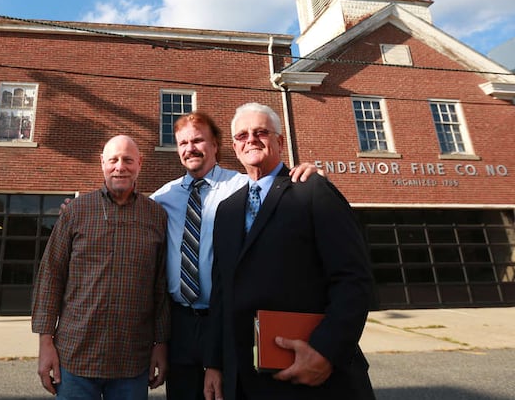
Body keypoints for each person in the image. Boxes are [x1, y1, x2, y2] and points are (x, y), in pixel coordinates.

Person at [203, 103, 375, 400]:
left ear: (280, 141)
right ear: (233, 146)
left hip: (310, 374)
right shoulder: (226, 210)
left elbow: (353, 279)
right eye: (242, 135)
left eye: (261, 132)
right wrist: (215, 363)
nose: (251, 140)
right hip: (243, 378)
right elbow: (222, 292)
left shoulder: (312, 190)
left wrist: (326, 351)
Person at [150, 111, 320, 400]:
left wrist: (308, 175)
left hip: (229, 319)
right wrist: (72, 211)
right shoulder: (162, 198)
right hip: (180, 324)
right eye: (182, 143)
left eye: (198, 140)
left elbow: (280, 187)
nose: (190, 148)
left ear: (216, 144)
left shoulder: (243, 186)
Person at [31, 134, 169, 400]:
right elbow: (50, 276)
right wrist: (45, 343)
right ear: (102, 163)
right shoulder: (76, 211)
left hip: (132, 361)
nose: (120, 167)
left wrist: (161, 344)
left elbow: (160, 287)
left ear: (139, 163)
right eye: (113, 160)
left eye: (128, 160)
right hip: (75, 358)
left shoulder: (156, 216)